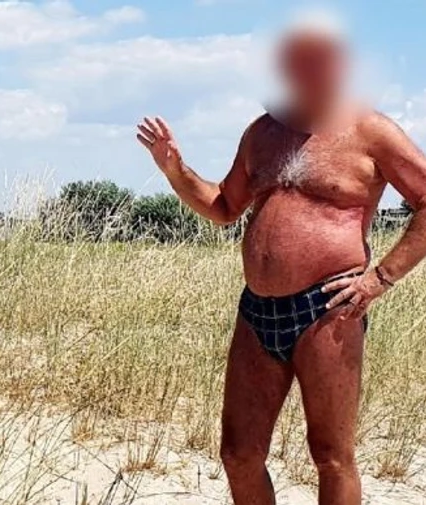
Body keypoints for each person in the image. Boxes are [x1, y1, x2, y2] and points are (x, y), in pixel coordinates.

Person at [135, 19, 426, 505]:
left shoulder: (369, 131)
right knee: (239, 453)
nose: (309, 69)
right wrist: (174, 169)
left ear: (340, 65)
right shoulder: (262, 133)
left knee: (331, 456)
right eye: (298, 60)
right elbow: (223, 207)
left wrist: (381, 278)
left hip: (329, 306)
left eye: (320, 59)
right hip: (257, 311)